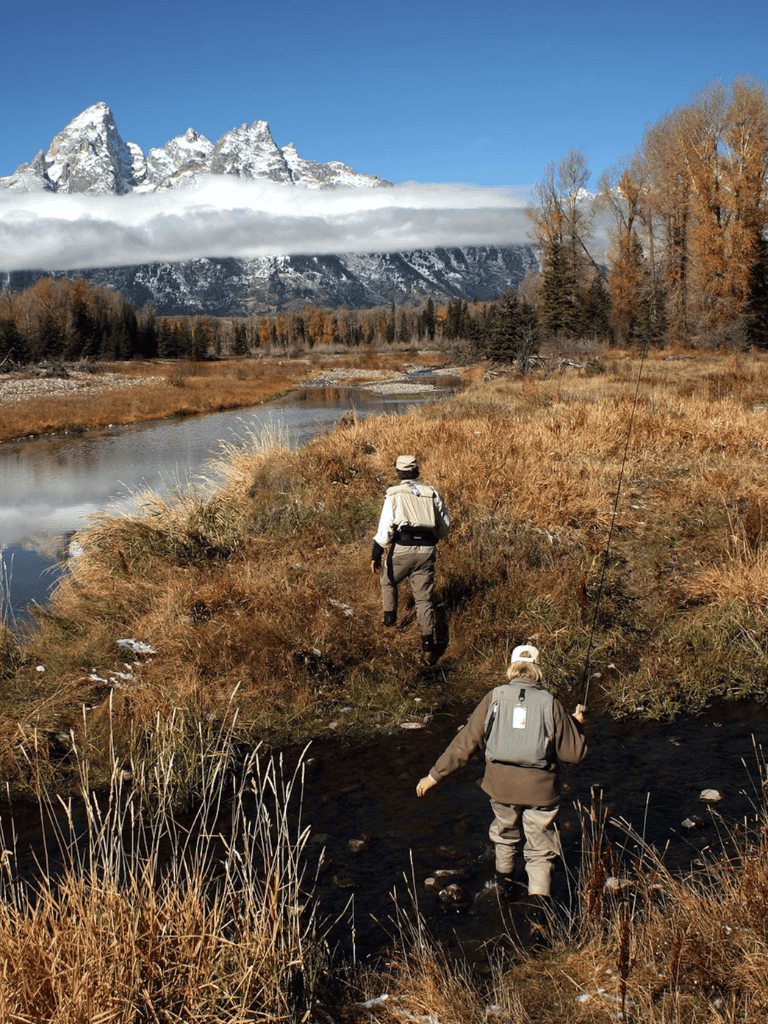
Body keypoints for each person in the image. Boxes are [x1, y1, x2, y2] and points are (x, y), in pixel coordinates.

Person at [416, 644, 586, 904]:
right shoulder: (550, 703)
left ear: (512, 667)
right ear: (538, 670)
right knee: (540, 851)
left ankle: (504, 890)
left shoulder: (494, 697)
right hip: (541, 791)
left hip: (500, 786)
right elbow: (573, 754)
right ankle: (538, 916)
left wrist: (434, 776)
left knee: (504, 836)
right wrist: (577, 726)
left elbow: (466, 742)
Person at [371, 454, 450, 665]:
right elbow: (444, 527)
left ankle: (389, 625)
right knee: (423, 599)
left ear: (399, 473)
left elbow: (386, 527)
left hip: (403, 548)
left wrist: (376, 553)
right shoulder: (431, 492)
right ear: (417, 472)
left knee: (388, 581)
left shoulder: (394, 494)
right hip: (427, 551)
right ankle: (427, 646)